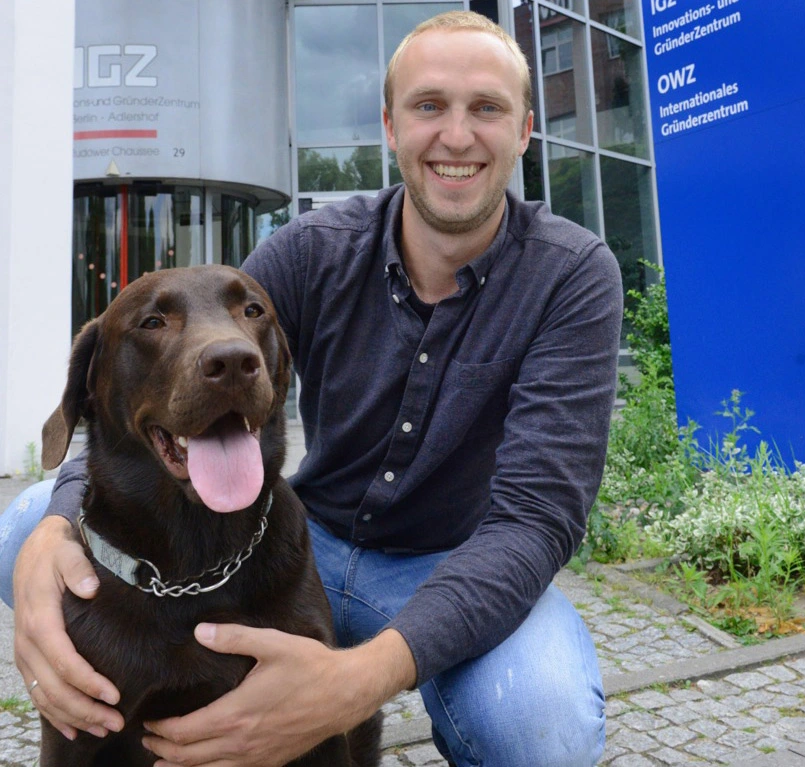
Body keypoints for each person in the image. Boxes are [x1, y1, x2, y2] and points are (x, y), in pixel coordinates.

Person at [2, 11, 622, 767]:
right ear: (391, 126)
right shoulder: (312, 248)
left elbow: (534, 518)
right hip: (306, 541)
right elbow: (195, 355)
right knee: (25, 523)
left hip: (452, 561)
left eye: (485, 108)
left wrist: (359, 681)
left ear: (524, 129)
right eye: (429, 106)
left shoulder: (571, 274)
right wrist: (57, 530)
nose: (456, 136)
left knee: (542, 725)